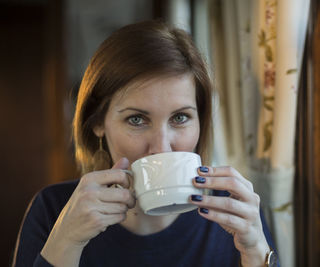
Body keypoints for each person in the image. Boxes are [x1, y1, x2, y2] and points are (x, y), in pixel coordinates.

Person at [12, 20, 279, 267]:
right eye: (137, 119)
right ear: (98, 123)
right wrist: (67, 242)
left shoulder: (233, 215)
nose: (161, 147)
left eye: (180, 117)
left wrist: (256, 251)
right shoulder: (54, 210)